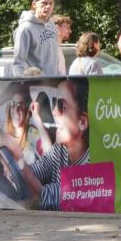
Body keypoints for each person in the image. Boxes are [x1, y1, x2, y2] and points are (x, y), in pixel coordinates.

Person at [21, 78, 90, 210]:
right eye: (54, 103)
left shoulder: (91, 162)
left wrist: (15, 154)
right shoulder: (59, 150)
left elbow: (47, 195)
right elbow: (35, 171)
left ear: (82, 122)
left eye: (61, 106)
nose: (54, 111)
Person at [12, 0, 60, 77]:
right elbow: (18, 62)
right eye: (44, 3)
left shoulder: (52, 25)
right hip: (34, 82)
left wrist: (59, 76)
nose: (48, 6)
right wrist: (20, 82)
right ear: (34, 5)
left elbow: (56, 59)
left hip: (53, 81)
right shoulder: (25, 28)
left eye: (51, 3)